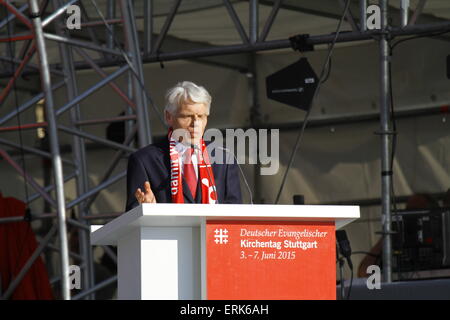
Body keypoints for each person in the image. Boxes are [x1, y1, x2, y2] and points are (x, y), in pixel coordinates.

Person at [125, 81, 242, 211]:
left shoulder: (223, 157)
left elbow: (235, 210)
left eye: (201, 116)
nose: (195, 123)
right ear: (169, 117)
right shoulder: (144, 160)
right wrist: (146, 209)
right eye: (187, 116)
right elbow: (132, 217)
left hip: (214, 232)